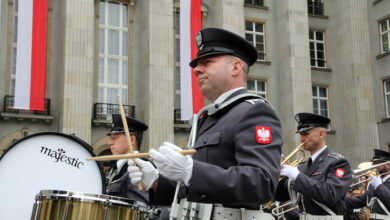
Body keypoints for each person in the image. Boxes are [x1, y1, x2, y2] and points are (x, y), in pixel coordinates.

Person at [127, 27, 283, 219]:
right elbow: (199, 193)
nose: (197, 69)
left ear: (235, 68)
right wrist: (157, 181)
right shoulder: (208, 117)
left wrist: (191, 171)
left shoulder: (254, 110)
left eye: (207, 62)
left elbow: (261, 184)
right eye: (197, 64)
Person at [275, 112, 352, 219]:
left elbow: (330, 195)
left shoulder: (337, 162)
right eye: (301, 135)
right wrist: (274, 176)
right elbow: (281, 196)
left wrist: (297, 176)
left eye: (306, 134)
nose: (301, 139)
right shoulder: (302, 166)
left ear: (321, 134)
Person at [106, 114, 149, 203]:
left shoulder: (138, 168)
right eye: (110, 138)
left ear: (132, 140)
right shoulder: (118, 168)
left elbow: (139, 210)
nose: (109, 142)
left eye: (115, 138)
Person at [345, 149, 390, 219]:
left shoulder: (377, 184)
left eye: (377, 163)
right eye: (374, 163)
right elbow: (361, 200)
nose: (374, 166)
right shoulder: (374, 183)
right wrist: (338, 199)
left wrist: (379, 186)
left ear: (388, 165)